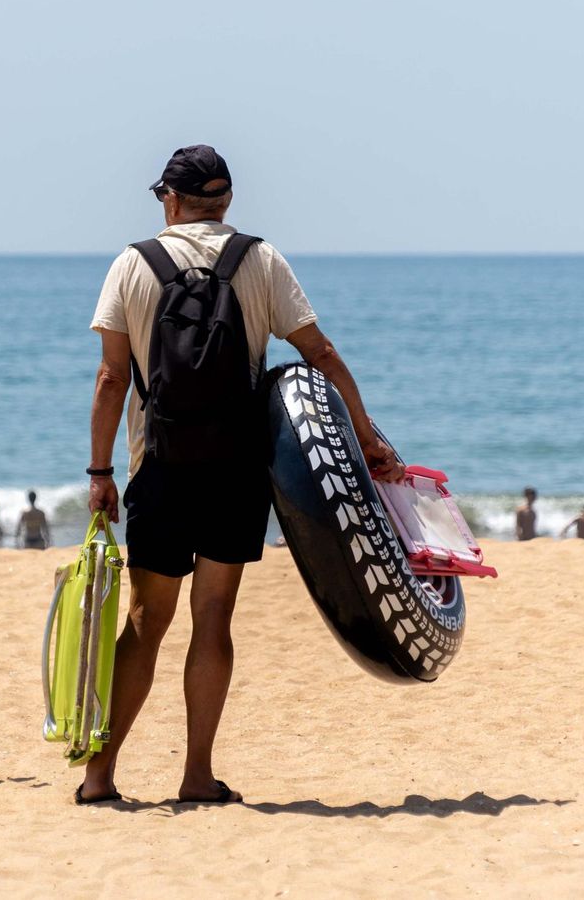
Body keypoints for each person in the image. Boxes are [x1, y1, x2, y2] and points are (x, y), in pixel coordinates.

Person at [80, 144, 403, 806]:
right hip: (234, 471)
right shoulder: (260, 260)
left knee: (146, 619)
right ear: (225, 200)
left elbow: (112, 377)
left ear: (169, 198)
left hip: (159, 469)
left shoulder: (133, 263)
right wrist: (365, 436)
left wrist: (99, 471)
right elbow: (321, 354)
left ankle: (99, 776)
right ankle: (197, 774)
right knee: (213, 617)